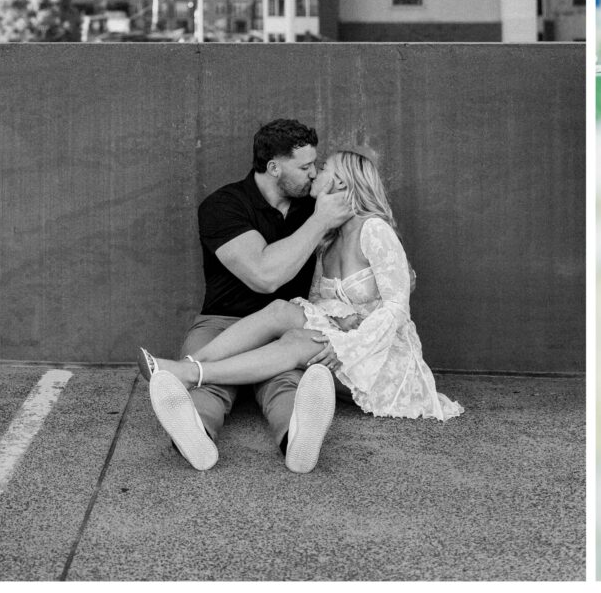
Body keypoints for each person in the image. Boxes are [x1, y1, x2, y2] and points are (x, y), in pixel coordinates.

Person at [148, 142, 462, 425]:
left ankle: (191, 373)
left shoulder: (374, 230)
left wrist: (346, 348)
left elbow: (396, 310)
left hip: (376, 356)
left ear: (339, 182)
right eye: (310, 167)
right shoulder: (328, 238)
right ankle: (191, 366)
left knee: (297, 343)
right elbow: (317, 302)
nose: (314, 174)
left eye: (322, 167)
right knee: (281, 311)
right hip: (344, 336)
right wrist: (341, 320)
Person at [142, 119, 351, 473]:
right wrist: (319, 223)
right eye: (304, 167)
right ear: (273, 167)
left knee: (286, 384)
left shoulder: (311, 205)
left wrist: (341, 333)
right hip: (223, 322)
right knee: (206, 381)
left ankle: (297, 439)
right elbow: (264, 277)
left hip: (286, 328)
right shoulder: (224, 206)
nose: (313, 174)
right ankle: (196, 437)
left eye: (315, 165)